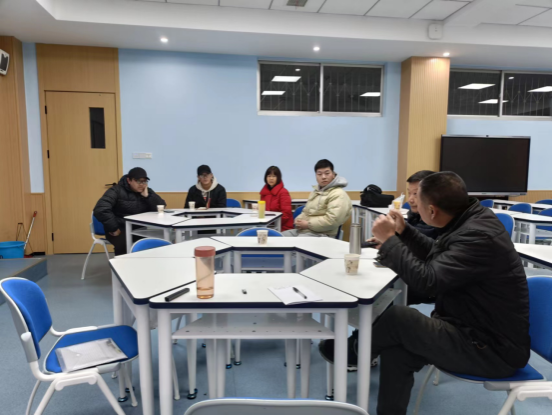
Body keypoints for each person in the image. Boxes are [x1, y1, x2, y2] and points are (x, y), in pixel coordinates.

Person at [319, 172, 530, 415]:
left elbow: (429, 281)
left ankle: (355, 351)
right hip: (469, 330)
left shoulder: (478, 236)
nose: (413, 203)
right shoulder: (470, 220)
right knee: (398, 349)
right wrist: (405, 231)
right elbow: (438, 257)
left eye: (417, 200)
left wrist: (390, 241)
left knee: (399, 317)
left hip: (492, 350)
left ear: (432, 211)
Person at [363, 170, 438, 305]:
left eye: (416, 194)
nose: (410, 199)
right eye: (409, 193)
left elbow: (423, 252)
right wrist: (386, 241)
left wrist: (390, 242)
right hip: (408, 272)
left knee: (376, 287)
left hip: (419, 280)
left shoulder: (436, 222)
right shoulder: (414, 216)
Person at [94, 167, 166, 256]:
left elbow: (161, 206)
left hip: (140, 229)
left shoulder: (147, 191)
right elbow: (101, 209)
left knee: (158, 242)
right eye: (138, 181)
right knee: (124, 245)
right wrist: (114, 228)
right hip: (120, 229)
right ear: (129, 180)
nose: (141, 184)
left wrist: (148, 197)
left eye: (144, 181)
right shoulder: (116, 190)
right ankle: (122, 264)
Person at [283, 159, 352, 237]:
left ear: (333, 174)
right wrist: (298, 221)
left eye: (327, 173)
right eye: (319, 174)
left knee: (295, 242)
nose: (323, 177)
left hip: (323, 234)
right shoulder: (315, 192)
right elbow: (306, 212)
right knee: (278, 237)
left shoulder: (338, 194)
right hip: (304, 231)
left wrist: (308, 224)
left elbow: (332, 221)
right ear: (316, 176)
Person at [260, 166, 293, 231]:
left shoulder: (283, 192)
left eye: (274, 176)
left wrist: (270, 222)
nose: (271, 178)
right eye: (269, 176)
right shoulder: (264, 193)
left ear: (278, 178)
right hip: (268, 225)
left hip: (282, 227)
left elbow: (286, 215)